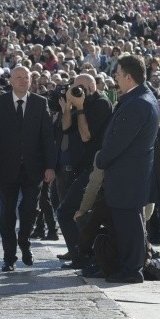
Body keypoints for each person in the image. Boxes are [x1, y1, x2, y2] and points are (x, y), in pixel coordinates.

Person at [95, 55, 159, 284]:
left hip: (128, 175)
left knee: (129, 225)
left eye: (118, 74)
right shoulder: (142, 98)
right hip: (130, 175)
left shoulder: (138, 103)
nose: (116, 78)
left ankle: (132, 269)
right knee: (129, 223)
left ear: (129, 77)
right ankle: (129, 265)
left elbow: (119, 141)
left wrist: (101, 159)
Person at [0, 65, 56, 272]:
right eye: (18, 77)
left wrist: (50, 167)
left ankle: (24, 243)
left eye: (25, 77)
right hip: (7, 167)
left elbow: (48, 137)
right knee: (6, 213)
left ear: (30, 80)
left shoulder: (40, 103)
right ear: (10, 80)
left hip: (33, 168)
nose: (22, 80)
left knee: (29, 210)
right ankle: (9, 256)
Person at [54, 74, 112, 263]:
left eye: (80, 88)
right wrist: (69, 107)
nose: (77, 91)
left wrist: (79, 107)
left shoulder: (101, 103)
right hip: (81, 166)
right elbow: (65, 127)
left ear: (91, 87)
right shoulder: (79, 103)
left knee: (67, 212)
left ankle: (81, 254)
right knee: (74, 212)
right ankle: (82, 251)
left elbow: (86, 136)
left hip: (96, 169)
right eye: (74, 87)